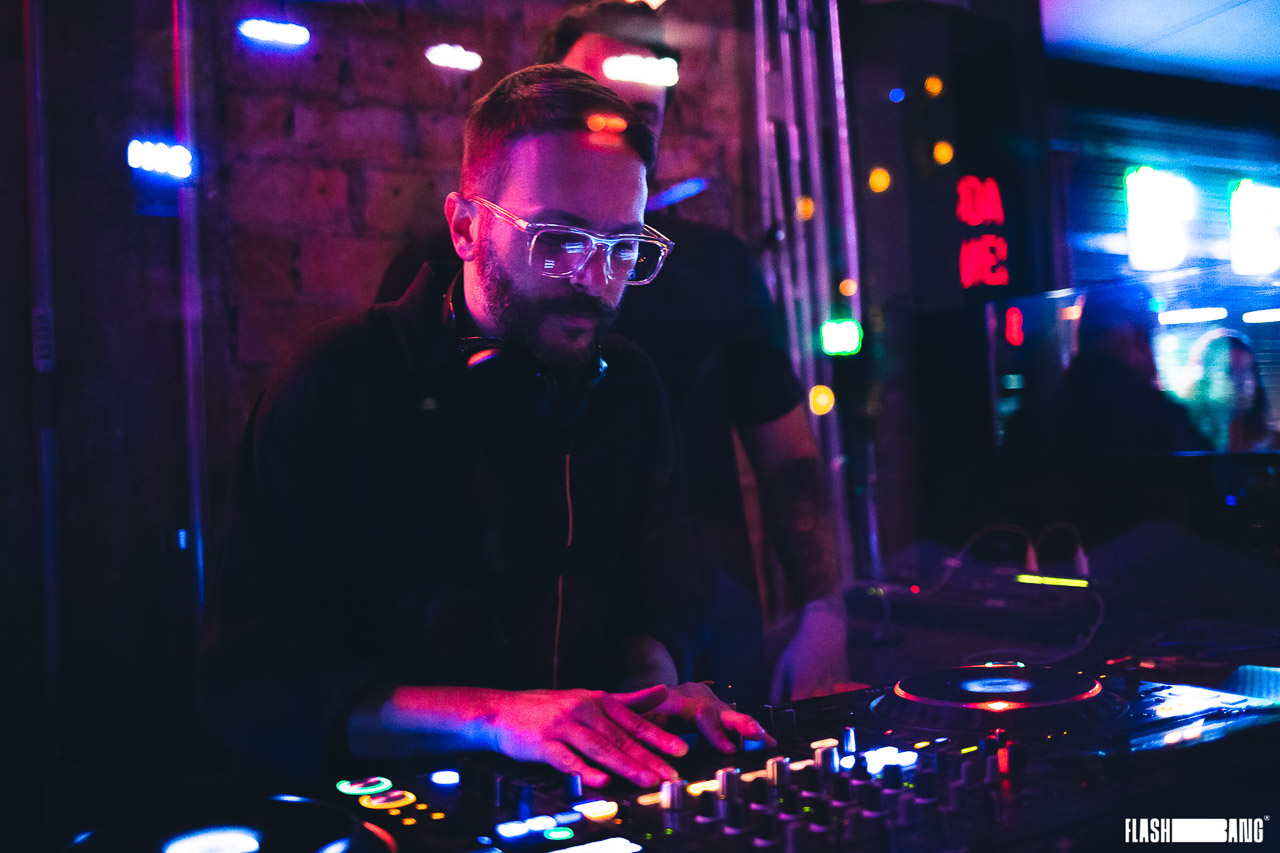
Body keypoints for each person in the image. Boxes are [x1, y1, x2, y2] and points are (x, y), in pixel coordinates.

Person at [199, 65, 772, 787]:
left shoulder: (627, 386)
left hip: (583, 794)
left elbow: (656, 604)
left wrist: (652, 698)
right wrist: (496, 717)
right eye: (557, 238)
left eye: (622, 247)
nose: (594, 280)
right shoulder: (339, 380)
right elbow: (254, 680)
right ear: (466, 227)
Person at [376, 0, 850, 706]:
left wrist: (824, 612)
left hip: (694, 634)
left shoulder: (715, 269)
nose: (615, 128)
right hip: (493, 664)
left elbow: (789, 462)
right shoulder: (449, 265)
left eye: (640, 115)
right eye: (592, 107)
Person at [1180, 329, 1279, 452]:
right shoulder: (1182, 445)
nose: (1241, 382)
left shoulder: (1275, 444)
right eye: (1229, 371)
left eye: (1247, 370)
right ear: (1205, 381)